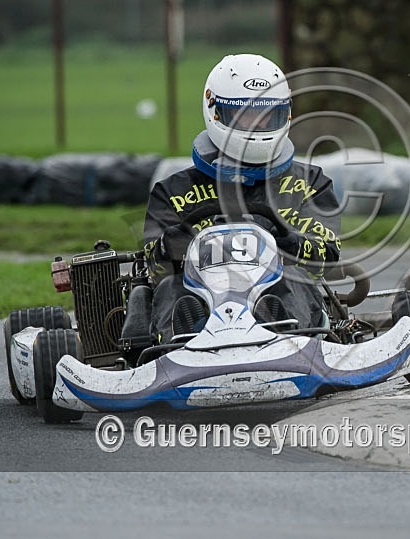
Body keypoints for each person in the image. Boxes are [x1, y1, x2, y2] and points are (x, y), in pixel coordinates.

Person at [142, 54, 341, 342]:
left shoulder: (310, 184)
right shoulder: (173, 191)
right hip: (201, 295)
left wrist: (292, 243)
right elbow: (150, 268)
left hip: (276, 292)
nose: (256, 126)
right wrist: (167, 246)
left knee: (295, 276)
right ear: (216, 112)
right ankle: (181, 346)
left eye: (266, 116)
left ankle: (291, 339)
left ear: (284, 115)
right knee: (170, 286)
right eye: (244, 116)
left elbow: (328, 256)